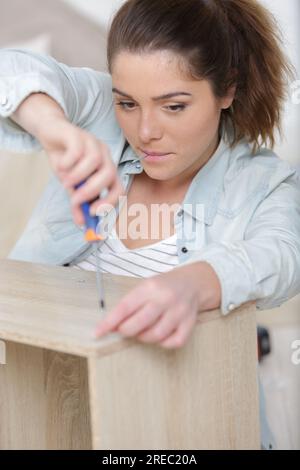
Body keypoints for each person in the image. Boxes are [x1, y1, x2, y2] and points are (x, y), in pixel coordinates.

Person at [0, 0, 299, 449]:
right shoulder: (100, 115)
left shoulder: (265, 183)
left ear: (227, 91)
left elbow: (283, 255)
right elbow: (11, 69)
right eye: (127, 102)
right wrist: (53, 128)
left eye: (173, 106)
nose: (144, 132)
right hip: (40, 410)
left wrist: (195, 284)